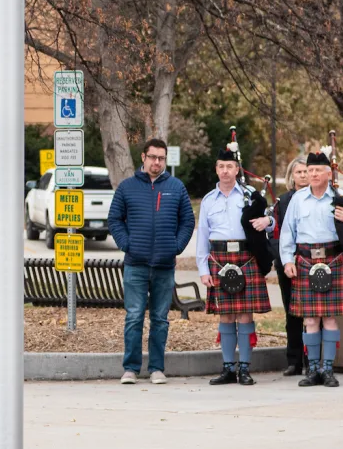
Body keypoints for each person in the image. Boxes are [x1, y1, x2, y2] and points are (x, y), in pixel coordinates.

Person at [107, 138, 195, 385]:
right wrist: (127, 244)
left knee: (160, 318)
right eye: (153, 157)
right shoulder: (127, 187)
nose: (157, 162)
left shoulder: (176, 187)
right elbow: (114, 219)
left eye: (161, 158)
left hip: (164, 265)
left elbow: (188, 221)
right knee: (134, 316)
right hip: (136, 264)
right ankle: (131, 369)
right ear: (143, 158)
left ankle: (157, 367)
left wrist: (175, 247)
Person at [279, 149, 343, 388]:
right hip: (304, 260)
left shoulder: (340, 195)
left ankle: (328, 369)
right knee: (311, 319)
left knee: (330, 318)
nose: (313, 174)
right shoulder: (297, 198)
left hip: (332, 259)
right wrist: (287, 261)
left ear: (328, 173)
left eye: (317, 170)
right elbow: (287, 233)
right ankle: (312, 369)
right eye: (310, 170)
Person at [196, 140, 274, 386]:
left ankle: (245, 368)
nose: (225, 171)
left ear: (237, 169)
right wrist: (202, 268)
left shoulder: (250, 196)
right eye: (221, 166)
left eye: (230, 166)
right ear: (216, 169)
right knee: (226, 316)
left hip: (246, 257)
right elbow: (202, 236)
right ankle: (228, 368)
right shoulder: (209, 200)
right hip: (219, 259)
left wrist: (268, 223)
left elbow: (268, 220)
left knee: (244, 315)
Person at [271, 158, 310, 375]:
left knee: (314, 314)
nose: (303, 175)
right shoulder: (283, 202)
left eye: (306, 171)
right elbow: (276, 236)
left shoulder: (319, 198)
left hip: (311, 263)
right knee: (292, 314)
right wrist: (285, 260)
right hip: (288, 264)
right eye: (299, 172)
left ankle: (313, 359)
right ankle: (294, 361)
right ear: (291, 176)